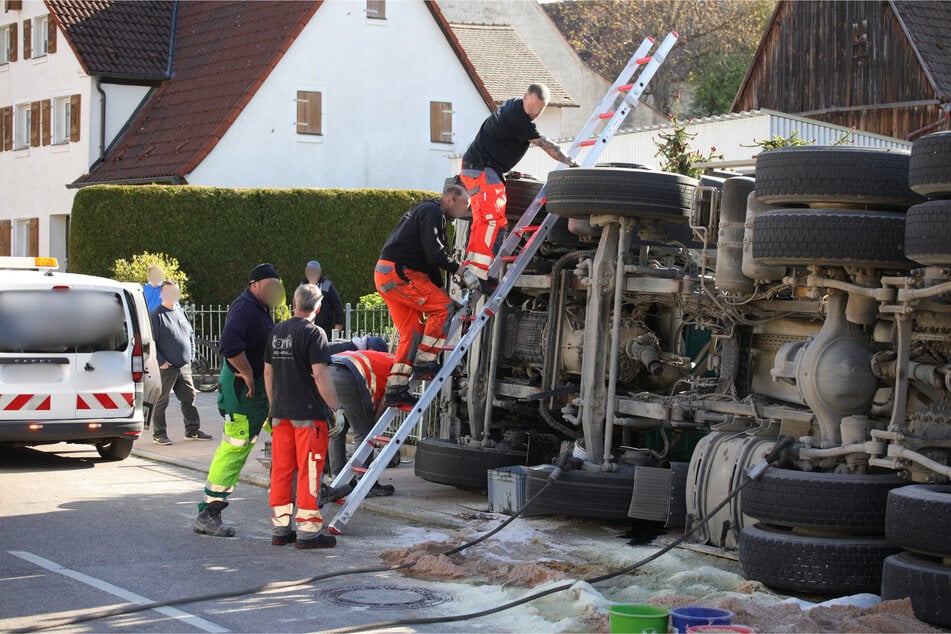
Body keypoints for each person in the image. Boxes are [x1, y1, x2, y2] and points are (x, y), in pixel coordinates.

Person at [193, 263, 285, 538]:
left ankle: (295, 492)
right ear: (253, 285)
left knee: (285, 433)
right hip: (243, 393)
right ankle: (209, 512)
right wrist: (246, 373)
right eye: (269, 286)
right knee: (235, 449)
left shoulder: (260, 307)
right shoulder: (245, 308)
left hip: (257, 391)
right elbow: (230, 346)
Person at [460, 83, 578, 287]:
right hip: (482, 169)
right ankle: (479, 272)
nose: (536, 113)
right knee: (492, 219)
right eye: (534, 108)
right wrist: (572, 163)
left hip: (481, 169)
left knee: (483, 220)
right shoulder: (518, 117)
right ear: (525, 97)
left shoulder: (514, 107)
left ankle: (472, 270)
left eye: (540, 110)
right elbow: (545, 144)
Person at [375, 185, 476, 409]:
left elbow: (429, 261)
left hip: (388, 273)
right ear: (450, 198)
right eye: (464, 206)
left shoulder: (426, 210)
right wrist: (461, 271)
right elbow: (435, 254)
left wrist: (440, 290)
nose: (464, 213)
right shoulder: (433, 212)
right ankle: (425, 362)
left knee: (411, 333)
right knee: (442, 309)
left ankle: (396, 389)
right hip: (399, 273)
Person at [264, 283, 346, 549]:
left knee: (282, 471)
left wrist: (274, 404)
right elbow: (321, 375)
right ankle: (308, 532)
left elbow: (268, 372)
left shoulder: (276, 331)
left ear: (293, 305)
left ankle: (281, 529)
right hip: (309, 416)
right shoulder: (315, 333)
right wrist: (336, 409)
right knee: (310, 472)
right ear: (318, 307)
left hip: (281, 414)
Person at [328, 343, 396, 497]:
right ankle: (365, 484)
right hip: (349, 374)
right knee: (364, 432)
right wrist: (374, 423)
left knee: (338, 430)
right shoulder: (402, 371)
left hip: (332, 368)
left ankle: (338, 479)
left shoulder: (386, 358)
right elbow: (387, 398)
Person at [149, 280, 212, 445]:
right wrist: (161, 361)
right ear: (162, 294)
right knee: (162, 401)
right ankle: (159, 434)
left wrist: (190, 355)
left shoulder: (181, 312)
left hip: (183, 366)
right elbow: (151, 341)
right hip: (167, 368)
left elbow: (190, 334)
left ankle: (192, 431)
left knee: (189, 398)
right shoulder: (156, 315)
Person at [302, 261, 344, 339]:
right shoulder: (302, 285)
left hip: (324, 327)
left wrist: (338, 323)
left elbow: (337, 304)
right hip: (305, 327)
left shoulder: (327, 285)